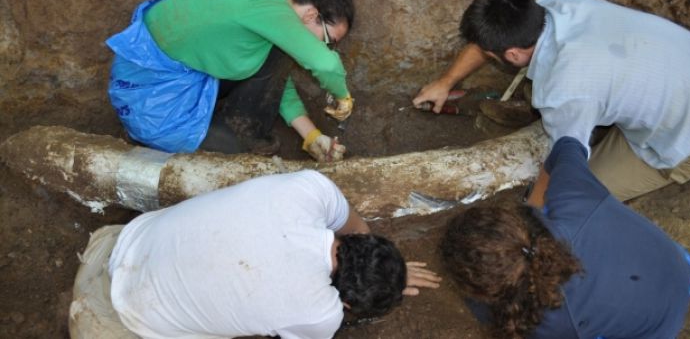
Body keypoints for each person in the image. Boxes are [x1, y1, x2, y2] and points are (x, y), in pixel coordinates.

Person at [68, 170, 441, 339]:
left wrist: (382, 270)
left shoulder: (309, 190)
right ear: (344, 302)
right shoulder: (318, 313)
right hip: (116, 325)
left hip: (116, 243)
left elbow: (355, 226)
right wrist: (378, 288)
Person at [413, 0, 690, 200]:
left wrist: (534, 209)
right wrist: (445, 82)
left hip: (681, 138)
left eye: (490, 55)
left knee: (563, 197)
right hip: (681, 68)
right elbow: (487, 42)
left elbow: (565, 160)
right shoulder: (553, 9)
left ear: (511, 54)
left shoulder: (565, 90)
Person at [441, 136, 690, 339]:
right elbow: (568, 145)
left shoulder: (554, 320)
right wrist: (535, 203)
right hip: (679, 267)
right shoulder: (573, 200)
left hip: (655, 328)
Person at [107, 0, 356, 162]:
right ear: (312, 15)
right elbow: (326, 64)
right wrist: (343, 98)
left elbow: (273, 80)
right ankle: (239, 139)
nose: (326, 48)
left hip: (152, 84)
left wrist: (311, 136)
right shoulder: (272, 13)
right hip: (155, 111)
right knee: (235, 154)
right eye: (328, 41)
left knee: (277, 58)